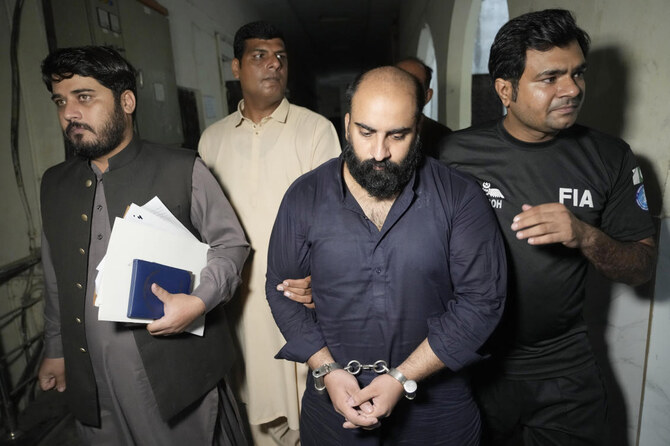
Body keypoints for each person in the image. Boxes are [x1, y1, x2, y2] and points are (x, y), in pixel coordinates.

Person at [439, 9, 656, 445]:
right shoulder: (453, 155)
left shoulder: (610, 157)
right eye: (550, 78)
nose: (572, 89)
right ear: (505, 89)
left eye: (578, 74)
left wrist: (584, 235)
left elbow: (641, 267)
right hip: (471, 360)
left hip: (563, 365)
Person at [265, 66, 506, 445]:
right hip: (333, 407)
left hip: (439, 411)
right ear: (346, 125)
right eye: (366, 132)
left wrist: (402, 377)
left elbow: (482, 302)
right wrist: (326, 368)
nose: (380, 152)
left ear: (418, 128)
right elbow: (281, 292)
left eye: (397, 135)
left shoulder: (460, 196)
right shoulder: (304, 197)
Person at [37, 46, 250, 445]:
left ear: (127, 101)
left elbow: (231, 245)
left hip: (170, 373)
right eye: (61, 101)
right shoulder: (54, 184)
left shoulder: (182, 168)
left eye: (84, 97)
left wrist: (200, 301)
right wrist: (56, 349)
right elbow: (54, 278)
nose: (69, 113)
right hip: (91, 379)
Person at [198, 21, 341, 445]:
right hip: (237, 303)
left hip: (298, 296)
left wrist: (323, 278)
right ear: (236, 66)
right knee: (252, 413)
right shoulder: (212, 140)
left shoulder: (315, 131)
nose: (274, 65)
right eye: (260, 56)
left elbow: (337, 218)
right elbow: (206, 224)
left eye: (280, 56)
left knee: (309, 409)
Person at [396, 56, 451, 158]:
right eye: (396, 81)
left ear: (427, 96)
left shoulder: (444, 138)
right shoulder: (366, 128)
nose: (402, 89)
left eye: (413, 84)